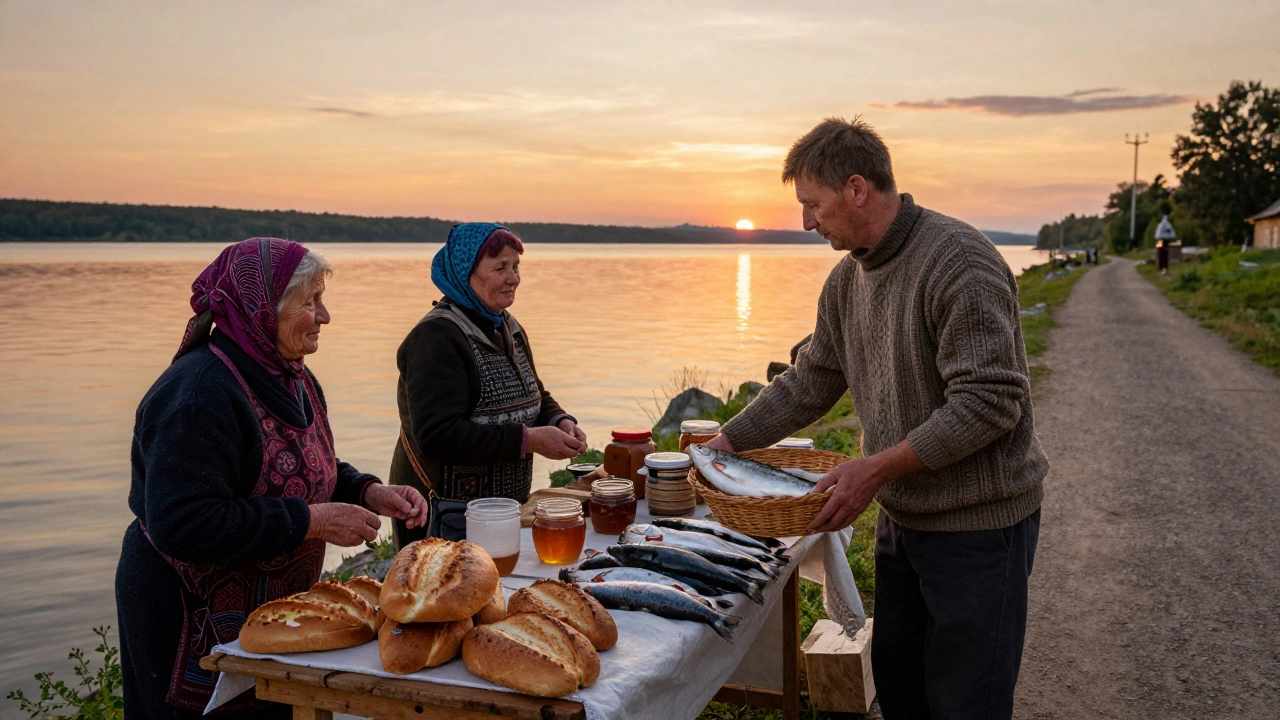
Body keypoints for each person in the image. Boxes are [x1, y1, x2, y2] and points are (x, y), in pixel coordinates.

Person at [707, 118, 1048, 720]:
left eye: (813, 204)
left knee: (967, 703)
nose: (806, 222)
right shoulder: (847, 280)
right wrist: (722, 444)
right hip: (902, 520)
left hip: (978, 528)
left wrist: (874, 470)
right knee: (900, 690)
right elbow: (808, 382)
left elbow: (990, 403)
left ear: (857, 189)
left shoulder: (959, 261)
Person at [115, 238, 427, 719]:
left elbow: (305, 465)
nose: (325, 316)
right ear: (262, 309)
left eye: (322, 299)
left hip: (270, 614)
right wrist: (314, 521)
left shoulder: (291, 375)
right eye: (310, 302)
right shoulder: (197, 394)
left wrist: (367, 490)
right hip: (185, 613)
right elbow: (182, 522)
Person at [389, 223, 586, 546]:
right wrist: (529, 440)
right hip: (443, 518)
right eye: (500, 268)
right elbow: (437, 436)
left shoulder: (507, 325)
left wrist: (558, 420)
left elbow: (534, 392)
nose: (514, 278)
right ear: (465, 273)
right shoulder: (436, 337)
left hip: (502, 512)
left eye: (516, 267)